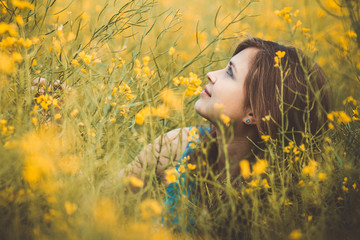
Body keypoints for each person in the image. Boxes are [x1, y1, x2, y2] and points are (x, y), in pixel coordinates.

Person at [122, 37, 330, 232]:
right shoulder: (178, 143)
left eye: (230, 73)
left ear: (256, 112)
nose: (211, 74)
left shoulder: (283, 209)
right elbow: (104, 197)